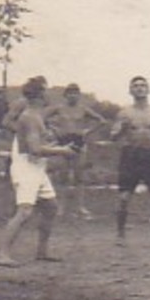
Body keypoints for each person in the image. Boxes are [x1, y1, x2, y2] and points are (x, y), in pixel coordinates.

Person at [0, 77, 75, 267]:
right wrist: (62, 151)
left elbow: (39, 146)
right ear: (40, 94)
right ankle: (2, 255)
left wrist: (59, 145)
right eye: (44, 91)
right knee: (24, 211)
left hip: (37, 167)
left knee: (51, 207)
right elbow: (35, 149)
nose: (47, 95)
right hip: (27, 167)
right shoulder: (30, 117)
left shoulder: (36, 116)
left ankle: (41, 251)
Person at [112, 75, 150, 246]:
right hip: (131, 155)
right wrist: (120, 130)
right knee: (124, 197)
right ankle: (120, 235)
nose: (140, 88)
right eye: (136, 86)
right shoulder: (124, 113)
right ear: (131, 90)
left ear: (148, 89)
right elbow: (113, 135)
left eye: (143, 85)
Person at [46, 83, 108, 220]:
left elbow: (101, 121)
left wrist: (87, 131)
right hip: (63, 141)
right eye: (70, 93)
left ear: (79, 95)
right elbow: (42, 117)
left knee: (79, 176)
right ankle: (61, 208)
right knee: (63, 176)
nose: (72, 96)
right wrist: (53, 129)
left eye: (75, 93)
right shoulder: (59, 108)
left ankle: (80, 207)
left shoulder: (83, 109)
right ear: (65, 95)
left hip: (79, 142)